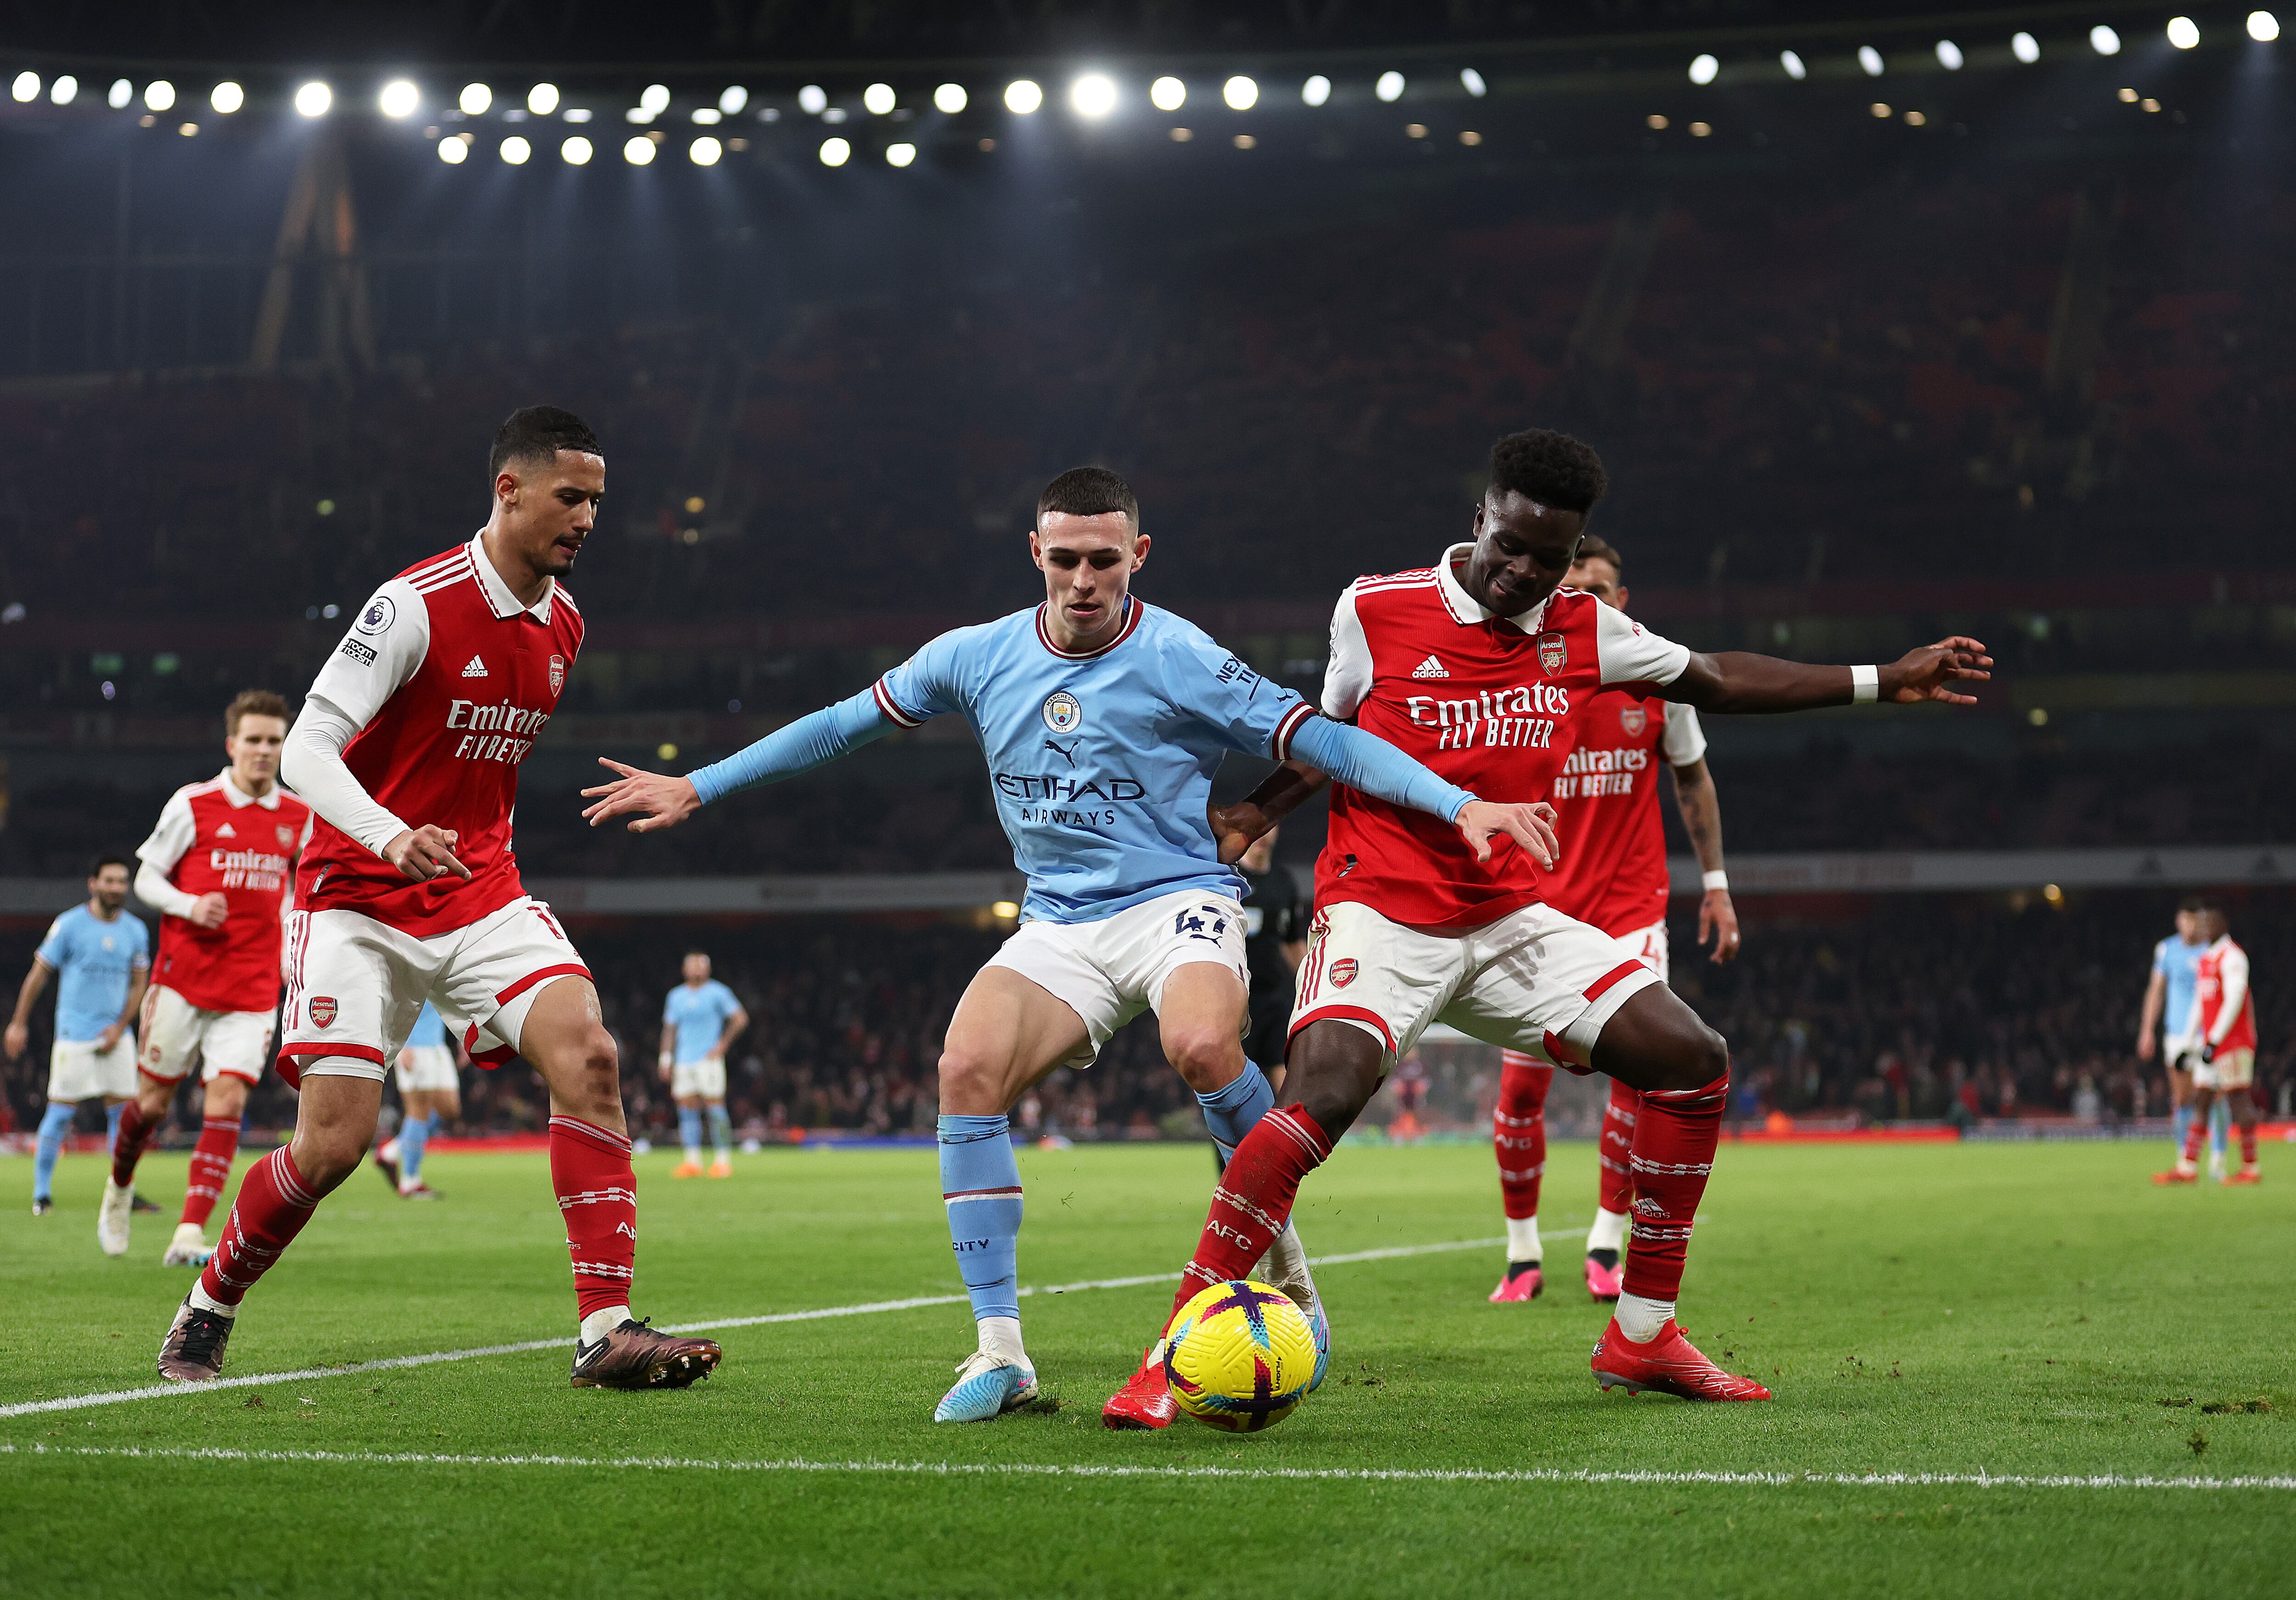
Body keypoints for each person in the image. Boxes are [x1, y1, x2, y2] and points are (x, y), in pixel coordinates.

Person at [579, 464, 1558, 1425]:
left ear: (1138, 554)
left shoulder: (1182, 655)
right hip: (1058, 920)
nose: (1083, 580)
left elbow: (1327, 741)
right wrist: (698, 784)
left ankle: (1288, 1272)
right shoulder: (975, 655)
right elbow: (842, 726)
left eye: (1103, 560)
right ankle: (1001, 1351)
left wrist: (1457, 803)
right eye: (1064, 560)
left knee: (1205, 1046)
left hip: (1177, 900)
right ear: (1035, 554)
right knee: (965, 1067)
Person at [1136, 428, 1988, 1417]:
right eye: (1509, 544)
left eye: (1548, 557)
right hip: (1382, 906)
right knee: (1321, 1094)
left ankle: (1643, 1332)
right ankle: (1174, 1347)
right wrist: (1253, 813)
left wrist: (1884, 678)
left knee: (1692, 1059)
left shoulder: (1587, 628)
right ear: (1481, 519)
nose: (1523, 572)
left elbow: (1715, 677)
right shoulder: (1375, 607)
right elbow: (1330, 737)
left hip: (1509, 918)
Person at [154, 406, 721, 1391]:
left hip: (478, 890)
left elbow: (480, 774)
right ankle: (208, 1305)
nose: (588, 518)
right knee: (332, 1146)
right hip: (355, 897)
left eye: (597, 501)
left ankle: (605, 1329)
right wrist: (388, 834)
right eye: (570, 497)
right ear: (509, 488)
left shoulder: (566, 623)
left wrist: (470, 855)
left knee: (590, 1054)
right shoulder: (414, 604)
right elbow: (306, 749)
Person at [1483, 534, 1740, 1306]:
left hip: (1631, 909)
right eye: (1574, 588)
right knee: (1520, 1093)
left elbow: (1692, 778)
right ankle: (1522, 1254)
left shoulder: (1660, 677)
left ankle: (1605, 1241)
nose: (1586, 601)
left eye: (1599, 589)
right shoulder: (1526, 680)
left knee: (1642, 1074)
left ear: (1622, 601)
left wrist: (1718, 885)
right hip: (1537, 913)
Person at [106, 692, 311, 1264]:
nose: (264, 750)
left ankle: (189, 1230)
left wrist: (289, 945)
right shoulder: (193, 803)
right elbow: (147, 878)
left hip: (251, 987)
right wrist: (190, 904)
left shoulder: (300, 815)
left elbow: (293, 890)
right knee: (151, 1105)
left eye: (274, 741)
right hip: (183, 981)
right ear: (232, 745)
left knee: (228, 1098)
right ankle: (120, 1184)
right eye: (254, 740)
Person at [6, 856, 149, 1216]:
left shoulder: (135, 930)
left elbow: (139, 984)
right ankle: (42, 1195)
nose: (116, 887)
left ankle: (122, 1193)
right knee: (59, 1114)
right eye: (109, 880)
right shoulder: (69, 925)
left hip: (117, 1036)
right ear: (93, 883)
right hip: (75, 1035)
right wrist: (19, 1023)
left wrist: (121, 1025)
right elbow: (39, 975)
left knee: (124, 1118)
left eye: (122, 881)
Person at [1217, 824, 1306, 1169]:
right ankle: (1231, 1163)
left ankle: (1287, 1152)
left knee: (1284, 1075)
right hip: (1234, 1000)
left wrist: (1311, 987)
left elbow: (1294, 944)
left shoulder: (1283, 882)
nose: (1265, 835)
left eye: (1271, 827)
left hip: (1276, 998)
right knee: (1231, 1081)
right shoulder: (1226, 878)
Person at [2156, 902, 2261, 1185]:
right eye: (2202, 923)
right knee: (2201, 1101)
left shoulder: (2233, 956)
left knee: (2239, 1100)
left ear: (2223, 925)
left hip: (2234, 1043)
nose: (2204, 928)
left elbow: (2235, 999)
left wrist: (2214, 1040)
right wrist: (2188, 1043)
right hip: (2210, 1044)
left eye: (2209, 923)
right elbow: (2200, 1004)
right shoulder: (2206, 959)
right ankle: (2188, 1167)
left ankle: (2251, 1168)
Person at [2137, 899, 2226, 1178]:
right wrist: (2147, 1030)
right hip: (2177, 1033)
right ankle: (2184, 1158)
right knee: (2183, 1097)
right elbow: (2156, 991)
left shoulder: (2212, 950)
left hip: (2208, 1033)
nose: (2191, 926)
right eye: (2187, 919)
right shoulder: (2167, 950)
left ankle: (2218, 1157)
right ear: (2179, 921)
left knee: (2215, 1096)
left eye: (2196, 920)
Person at [660, 951, 747, 1178]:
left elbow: (740, 1019)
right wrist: (666, 1058)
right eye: (693, 965)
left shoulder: (718, 992)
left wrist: (723, 1045)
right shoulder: (676, 996)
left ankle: (722, 1161)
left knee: (715, 1108)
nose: (697, 969)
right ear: (684, 969)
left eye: (701, 965)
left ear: (708, 969)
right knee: (686, 1110)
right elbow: (670, 1029)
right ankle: (693, 1162)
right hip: (683, 1060)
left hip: (709, 1060)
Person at [372, 1001, 461, 1199]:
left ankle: (391, 1152)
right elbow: (395, 1005)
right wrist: (404, 1046)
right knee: (419, 1111)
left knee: (450, 1109)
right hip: (415, 1047)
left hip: (437, 1045)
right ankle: (411, 1181)